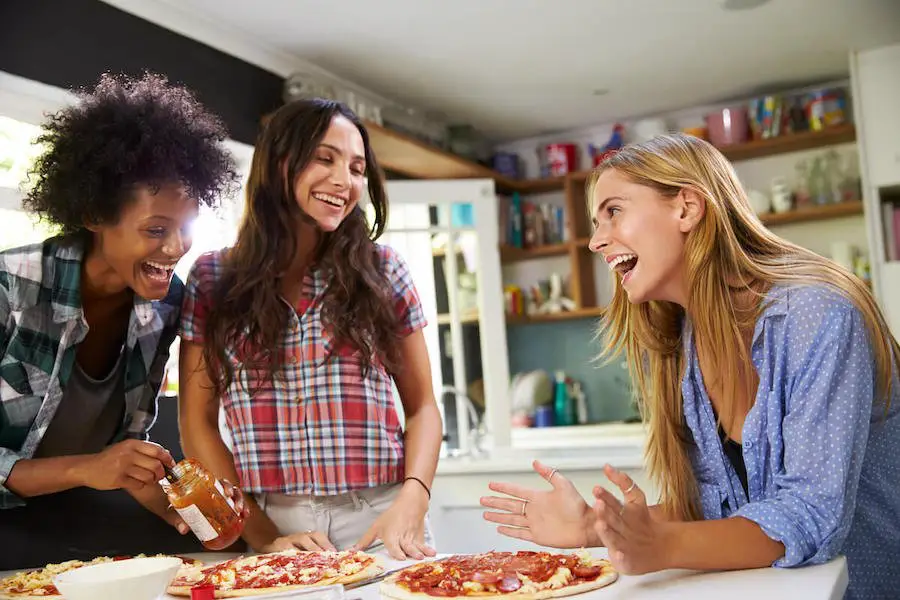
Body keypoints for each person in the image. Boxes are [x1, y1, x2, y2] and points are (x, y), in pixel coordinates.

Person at [480, 134, 900, 600]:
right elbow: (716, 511)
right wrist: (596, 528)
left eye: (613, 211)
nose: (596, 240)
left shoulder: (816, 313)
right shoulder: (683, 342)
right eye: (596, 222)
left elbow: (811, 515)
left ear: (686, 208)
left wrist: (663, 546)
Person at [0, 72, 248, 569]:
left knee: (217, 560)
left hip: (72, 512)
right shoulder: (11, 286)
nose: (176, 249)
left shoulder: (164, 305)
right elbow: (100, 466)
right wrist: (89, 468)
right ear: (94, 213)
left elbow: (123, 453)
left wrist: (192, 513)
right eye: (155, 229)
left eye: (185, 229)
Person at [178, 98, 443, 560]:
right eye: (325, 158)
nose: (345, 181)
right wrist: (261, 535)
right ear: (279, 162)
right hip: (271, 520)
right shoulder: (213, 279)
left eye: (358, 168)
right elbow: (196, 422)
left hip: (380, 515)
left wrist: (413, 499)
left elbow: (422, 407)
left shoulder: (384, 271)